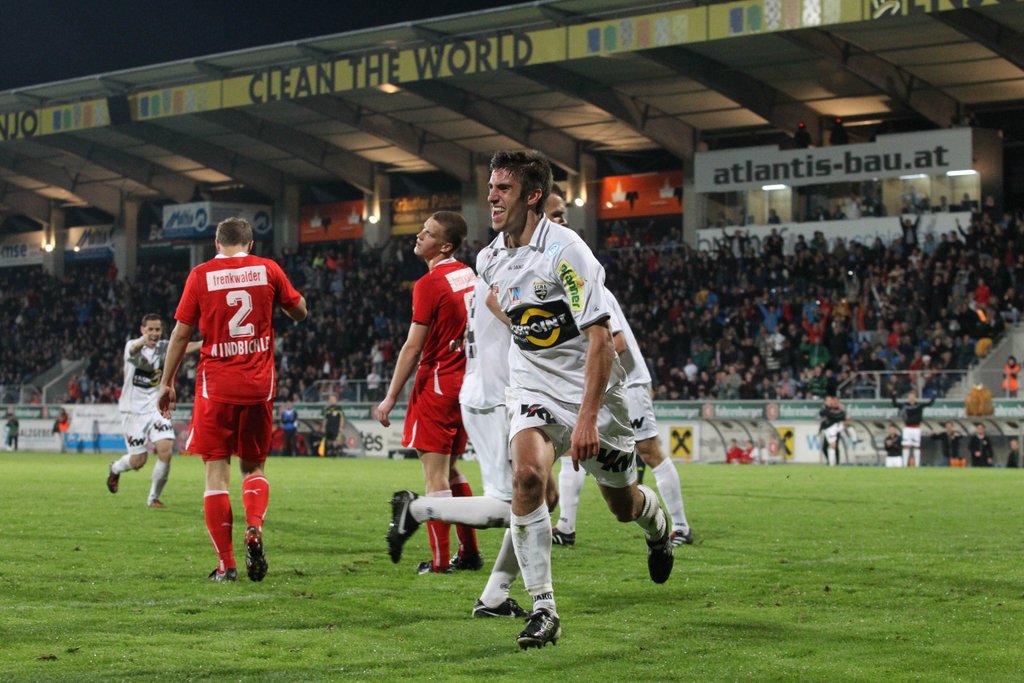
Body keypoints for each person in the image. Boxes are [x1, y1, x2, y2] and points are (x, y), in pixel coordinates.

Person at [473, 149, 673, 648]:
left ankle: (657, 525)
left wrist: (586, 419)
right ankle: (544, 609)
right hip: (533, 385)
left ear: (533, 195)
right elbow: (501, 299)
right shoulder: (489, 257)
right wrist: (524, 332)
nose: (492, 197)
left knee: (622, 504)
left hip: (595, 394)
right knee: (527, 477)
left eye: (503, 188)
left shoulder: (566, 251)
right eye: (491, 187)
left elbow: (602, 341)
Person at [157, 217, 307, 582]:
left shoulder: (200, 275)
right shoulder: (268, 269)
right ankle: (254, 526)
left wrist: (167, 382)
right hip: (258, 385)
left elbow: (180, 334)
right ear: (251, 244)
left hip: (216, 387)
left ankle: (227, 565)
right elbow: (300, 311)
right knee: (253, 468)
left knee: (216, 475)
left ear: (216, 243)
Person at [375, 211, 481, 575]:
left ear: (446, 246)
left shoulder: (429, 283)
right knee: (451, 470)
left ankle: (439, 563)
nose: (419, 236)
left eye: (429, 233)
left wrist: (391, 396)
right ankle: (469, 552)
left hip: (437, 383)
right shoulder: (467, 273)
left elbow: (412, 347)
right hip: (465, 382)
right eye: (422, 230)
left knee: (434, 475)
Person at [553, 284, 694, 548]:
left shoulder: (589, 289)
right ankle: (565, 527)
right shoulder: (564, 296)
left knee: (649, 450)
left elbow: (618, 342)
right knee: (573, 449)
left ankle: (681, 527)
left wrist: (579, 370)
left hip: (628, 383)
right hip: (599, 385)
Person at [106, 314, 201, 508]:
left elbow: (183, 346)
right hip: (132, 411)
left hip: (155, 408)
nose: (154, 333)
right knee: (138, 460)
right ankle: (115, 468)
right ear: (142, 330)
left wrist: (203, 343)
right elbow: (133, 349)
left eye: (157, 329)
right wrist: (143, 341)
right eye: (150, 329)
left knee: (166, 451)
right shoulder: (132, 345)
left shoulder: (163, 347)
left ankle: (153, 498)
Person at [892, 390, 935, 467]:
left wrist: (934, 396)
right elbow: (895, 404)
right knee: (906, 445)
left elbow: (930, 404)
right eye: (910, 396)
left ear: (915, 397)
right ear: (908, 398)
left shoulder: (919, 405)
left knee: (916, 446)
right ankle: (904, 464)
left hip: (916, 428)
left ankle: (917, 464)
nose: (911, 398)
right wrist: (893, 396)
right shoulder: (905, 405)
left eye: (913, 396)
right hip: (907, 428)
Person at [818, 395, 846, 466]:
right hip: (828, 428)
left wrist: (841, 410)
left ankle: (834, 463)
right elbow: (822, 414)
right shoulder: (826, 409)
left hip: (834, 429)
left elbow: (842, 416)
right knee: (828, 446)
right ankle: (831, 462)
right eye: (829, 400)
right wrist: (820, 430)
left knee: (833, 445)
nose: (831, 402)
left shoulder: (837, 408)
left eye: (831, 400)